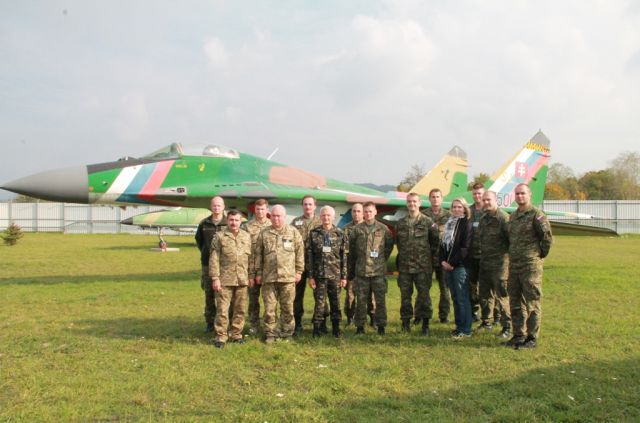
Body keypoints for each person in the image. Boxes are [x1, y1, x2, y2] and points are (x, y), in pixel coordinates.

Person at [506, 184, 553, 349]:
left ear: (529, 195)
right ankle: (518, 334)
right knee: (515, 300)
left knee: (532, 301)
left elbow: (546, 238)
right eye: (517, 194)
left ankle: (532, 337)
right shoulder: (512, 216)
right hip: (514, 265)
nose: (520, 196)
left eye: (523, 193)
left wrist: (538, 256)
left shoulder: (537, 215)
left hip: (530, 265)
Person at [254, 204, 305, 344]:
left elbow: (300, 253)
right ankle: (270, 333)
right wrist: (258, 273)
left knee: (287, 307)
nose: (276, 219)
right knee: (270, 308)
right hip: (269, 277)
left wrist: (299, 271)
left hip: (287, 278)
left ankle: (287, 332)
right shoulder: (264, 233)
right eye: (274, 216)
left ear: (284, 216)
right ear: (270, 216)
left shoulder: (293, 232)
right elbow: (258, 254)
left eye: (279, 216)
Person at [395, 192, 439, 335]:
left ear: (419, 203)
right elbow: (399, 244)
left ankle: (425, 324)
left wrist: (432, 263)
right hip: (405, 267)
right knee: (405, 297)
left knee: (424, 296)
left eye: (414, 201)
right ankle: (405, 322)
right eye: (409, 201)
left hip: (423, 267)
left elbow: (435, 243)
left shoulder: (428, 222)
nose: (412, 204)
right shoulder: (400, 223)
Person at [348, 202, 394, 335]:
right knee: (361, 301)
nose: (368, 214)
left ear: (375, 212)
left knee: (380, 301)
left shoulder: (383, 229)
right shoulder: (357, 229)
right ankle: (360, 327)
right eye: (366, 211)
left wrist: (381, 260)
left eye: (370, 211)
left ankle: (381, 326)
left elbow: (389, 246)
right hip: (361, 271)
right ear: (363, 213)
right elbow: (352, 250)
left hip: (378, 271)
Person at [209, 210, 252, 348]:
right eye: (231, 220)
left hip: (242, 279)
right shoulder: (220, 236)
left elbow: (251, 259)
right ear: (227, 221)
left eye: (236, 220)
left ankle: (236, 334)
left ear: (241, 221)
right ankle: (221, 336)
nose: (234, 223)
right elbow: (214, 258)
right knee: (222, 310)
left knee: (240, 309)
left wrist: (251, 276)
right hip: (224, 279)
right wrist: (215, 278)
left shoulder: (246, 236)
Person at [306, 206, 348, 338]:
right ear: (320, 217)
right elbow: (310, 256)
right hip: (319, 276)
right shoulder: (314, 233)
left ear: (333, 217)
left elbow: (344, 257)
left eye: (329, 215)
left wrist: (344, 277)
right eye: (324, 215)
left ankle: (336, 328)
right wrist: (310, 276)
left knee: (335, 302)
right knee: (319, 304)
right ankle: (317, 328)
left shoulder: (340, 234)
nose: (326, 218)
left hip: (335, 275)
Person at [477, 191, 511, 338]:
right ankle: (486, 322)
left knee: (502, 296)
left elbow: (511, 240)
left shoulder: (503, 218)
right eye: (484, 200)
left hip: (500, 265)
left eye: (488, 200)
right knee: (484, 295)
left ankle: (507, 326)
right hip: (485, 263)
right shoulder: (484, 218)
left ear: (495, 200)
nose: (486, 202)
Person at [440, 198, 473, 339]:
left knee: (462, 298)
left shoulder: (466, 224)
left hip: (459, 267)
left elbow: (465, 247)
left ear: (464, 209)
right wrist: (442, 261)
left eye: (459, 207)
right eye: (454, 207)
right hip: (447, 266)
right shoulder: (449, 223)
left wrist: (452, 263)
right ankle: (459, 327)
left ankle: (466, 330)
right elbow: (442, 245)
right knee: (455, 297)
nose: (456, 209)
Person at [291, 195, 322, 335]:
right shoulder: (295, 222)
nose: (307, 206)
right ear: (302, 206)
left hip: (316, 265)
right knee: (297, 295)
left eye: (310, 204)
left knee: (319, 295)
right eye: (305, 204)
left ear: (315, 206)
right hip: (299, 264)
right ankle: (297, 322)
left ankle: (319, 323)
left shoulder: (321, 221)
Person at [195, 196, 226, 332]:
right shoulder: (204, 224)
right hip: (207, 264)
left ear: (223, 207)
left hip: (225, 265)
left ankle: (224, 322)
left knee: (224, 295)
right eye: (214, 205)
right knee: (209, 294)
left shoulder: (228, 222)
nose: (216, 208)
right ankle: (210, 323)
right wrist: (207, 253)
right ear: (211, 207)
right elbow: (199, 241)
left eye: (219, 205)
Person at [342, 203, 376, 326]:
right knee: (350, 294)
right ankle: (350, 317)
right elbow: (342, 249)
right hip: (351, 267)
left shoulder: (370, 227)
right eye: (354, 211)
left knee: (370, 294)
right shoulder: (346, 229)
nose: (356, 214)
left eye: (359, 211)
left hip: (368, 267)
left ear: (363, 213)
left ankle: (373, 317)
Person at [422, 188, 452, 323]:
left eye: (438, 196)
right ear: (429, 199)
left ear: (442, 198)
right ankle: (423, 315)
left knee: (445, 288)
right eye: (433, 197)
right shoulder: (423, 215)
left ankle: (444, 316)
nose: (435, 199)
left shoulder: (449, 216)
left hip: (443, 257)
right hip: (426, 257)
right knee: (424, 288)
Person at [242, 199, 271, 335]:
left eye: (262, 209)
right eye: (258, 209)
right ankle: (254, 324)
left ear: (267, 210)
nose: (260, 212)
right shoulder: (247, 226)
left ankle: (269, 324)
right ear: (254, 210)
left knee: (269, 300)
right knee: (253, 300)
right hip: (252, 268)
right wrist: (249, 272)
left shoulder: (272, 225)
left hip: (268, 269)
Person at [467, 183, 485, 322]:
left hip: (487, 255)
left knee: (487, 287)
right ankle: (474, 312)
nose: (477, 196)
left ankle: (491, 315)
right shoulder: (468, 211)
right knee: (472, 286)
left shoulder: (489, 209)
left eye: (479, 193)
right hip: (471, 255)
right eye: (474, 193)